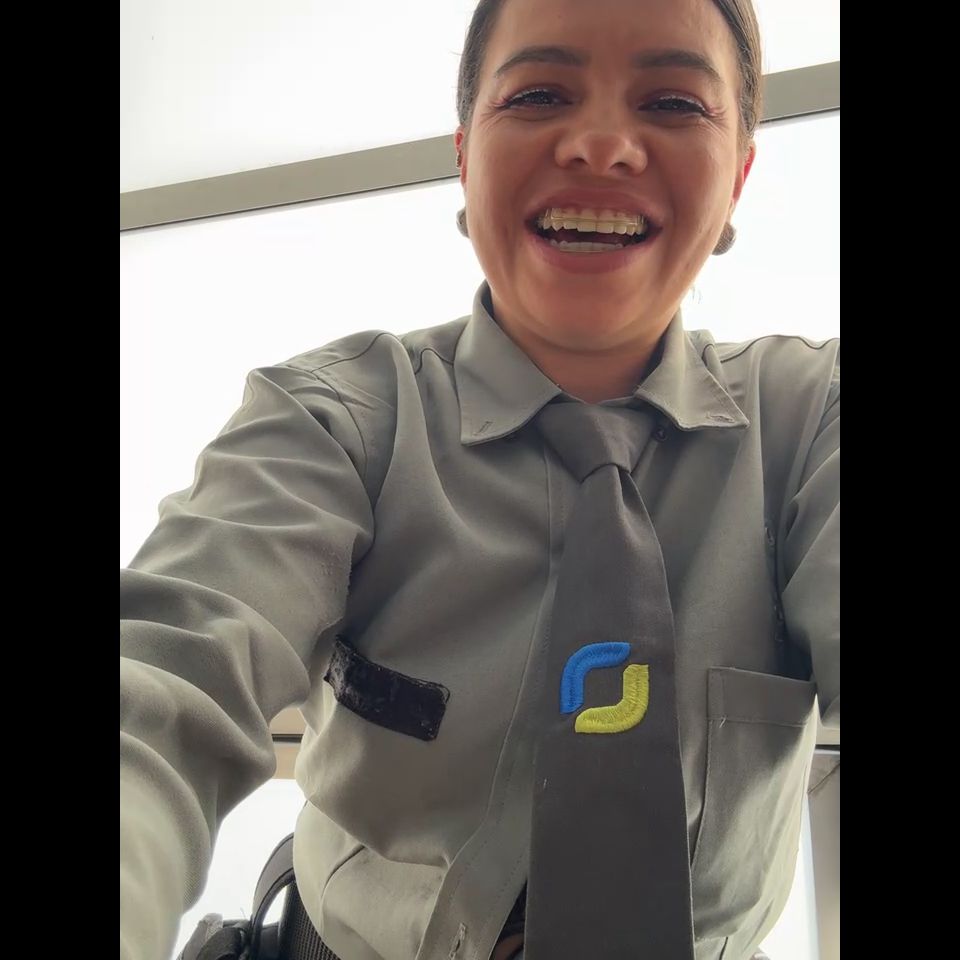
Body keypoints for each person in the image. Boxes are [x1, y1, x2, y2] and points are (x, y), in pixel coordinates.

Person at [120, 0, 839, 958]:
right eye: (538, 94)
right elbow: (165, 679)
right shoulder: (335, 420)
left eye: (673, 103)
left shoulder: (811, 423)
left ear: (739, 174)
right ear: (465, 157)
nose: (599, 143)